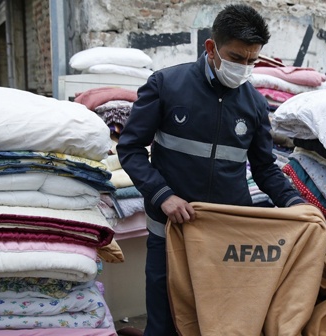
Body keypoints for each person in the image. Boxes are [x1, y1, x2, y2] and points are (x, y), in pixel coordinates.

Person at [117, 4, 306, 335]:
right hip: (170, 231)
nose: (244, 68)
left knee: (221, 321)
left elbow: (265, 169)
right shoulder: (166, 85)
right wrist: (164, 196)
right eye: (236, 58)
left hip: (227, 237)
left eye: (252, 61)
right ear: (211, 48)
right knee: (163, 322)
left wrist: (295, 204)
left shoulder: (255, 105)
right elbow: (130, 149)